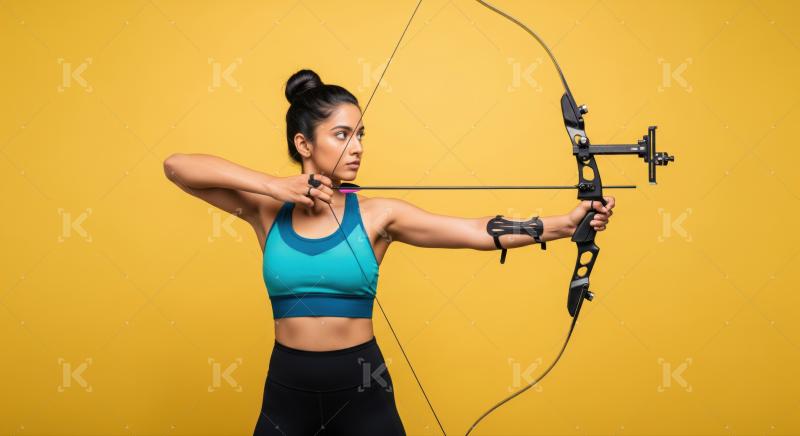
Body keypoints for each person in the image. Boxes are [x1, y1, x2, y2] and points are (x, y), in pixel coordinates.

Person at [162, 69, 614, 435]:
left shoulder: (377, 215)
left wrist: (561, 225)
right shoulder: (265, 210)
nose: (357, 147)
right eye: (342, 135)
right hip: (288, 385)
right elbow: (178, 167)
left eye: (360, 135)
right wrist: (274, 185)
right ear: (304, 144)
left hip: (361, 383)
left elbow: (476, 230)